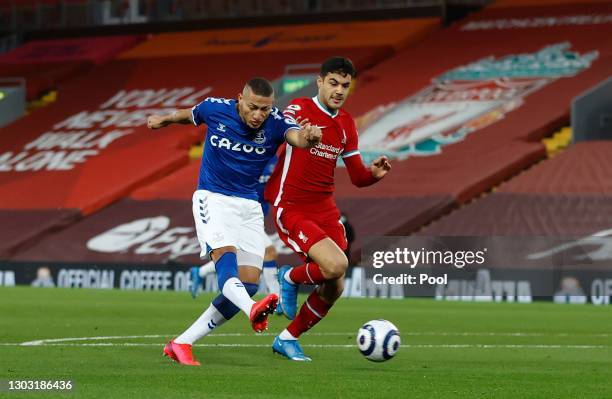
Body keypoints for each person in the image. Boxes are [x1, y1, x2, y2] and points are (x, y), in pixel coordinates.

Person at [147, 77, 322, 366]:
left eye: (264, 110)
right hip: (213, 199)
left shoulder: (276, 122)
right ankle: (253, 310)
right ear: (239, 98)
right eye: (253, 107)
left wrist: (309, 137)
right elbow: (187, 115)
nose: (258, 115)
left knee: (250, 282)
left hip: (250, 206)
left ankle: (181, 343)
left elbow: (297, 137)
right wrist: (162, 120)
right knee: (228, 268)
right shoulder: (215, 109)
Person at [264, 57, 391, 361]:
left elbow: (358, 176)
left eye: (345, 85)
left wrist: (373, 175)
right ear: (320, 82)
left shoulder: (346, 123)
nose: (339, 90)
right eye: (333, 83)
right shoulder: (299, 108)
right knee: (336, 265)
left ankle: (287, 338)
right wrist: (304, 135)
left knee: (335, 286)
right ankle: (289, 278)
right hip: (291, 206)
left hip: (325, 209)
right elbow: (287, 125)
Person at [189, 154, 285, 315]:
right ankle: (277, 299)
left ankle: (200, 272)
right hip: (233, 210)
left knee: (239, 255)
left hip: (251, 215)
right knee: (268, 251)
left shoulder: (276, 161)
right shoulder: (247, 156)